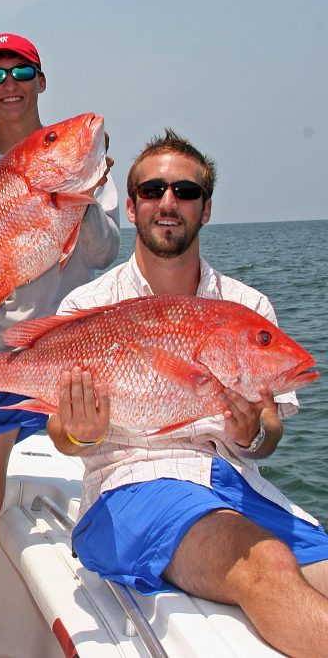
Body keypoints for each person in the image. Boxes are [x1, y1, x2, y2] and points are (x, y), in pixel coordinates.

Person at [47, 129, 328, 656]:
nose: (168, 203)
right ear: (131, 208)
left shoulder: (247, 307)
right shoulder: (89, 307)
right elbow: (61, 436)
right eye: (152, 191)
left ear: (207, 208)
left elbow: (269, 435)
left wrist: (251, 434)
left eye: (186, 191)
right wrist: (82, 435)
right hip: (131, 486)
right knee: (264, 563)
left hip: (236, 486)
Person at [0, 34, 120, 658]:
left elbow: (102, 254)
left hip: (69, 349)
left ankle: (107, 628)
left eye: (22, 71)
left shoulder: (85, 158)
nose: (9, 83)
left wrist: (84, 196)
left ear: (42, 82)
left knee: (85, 476)